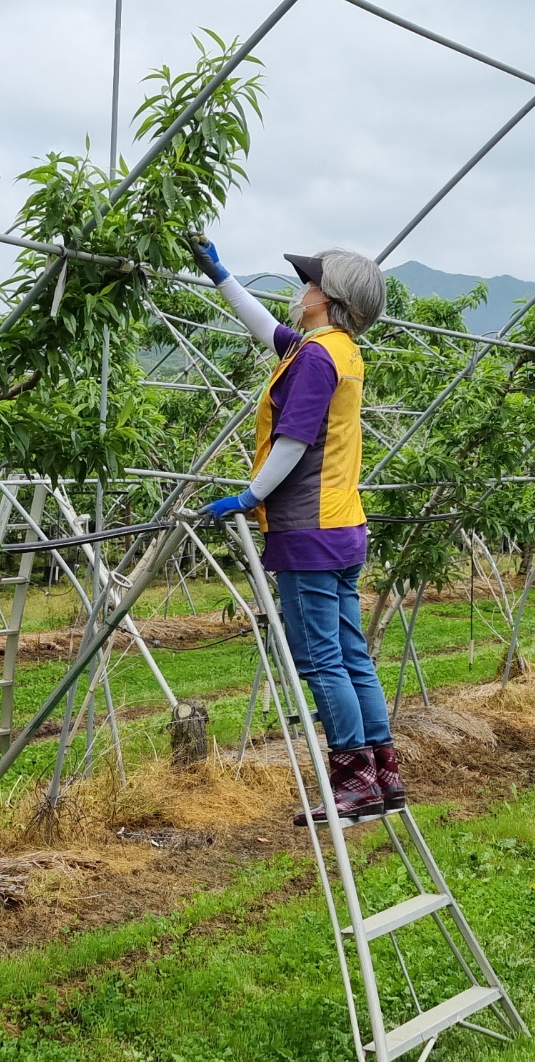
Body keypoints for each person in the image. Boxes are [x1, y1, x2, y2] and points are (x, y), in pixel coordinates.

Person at [189, 238, 406, 825]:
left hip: (307, 530)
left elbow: (295, 438)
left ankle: (352, 783)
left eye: (309, 283)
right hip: (343, 526)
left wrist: (250, 495)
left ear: (326, 299)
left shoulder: (316, 358)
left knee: (321, 661)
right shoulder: (336, 351)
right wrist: (220, 275)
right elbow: (266, 330)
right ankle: (382, 774)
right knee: (352, 656)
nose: (300, 290)